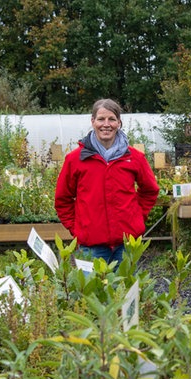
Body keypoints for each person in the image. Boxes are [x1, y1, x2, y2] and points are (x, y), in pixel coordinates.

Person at [55, 99, 159, 265]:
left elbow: (150, 190)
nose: (106, 124)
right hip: (91, 246)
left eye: (111, 119)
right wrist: (77, 229)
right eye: (101, 119)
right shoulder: (75, 159)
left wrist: (136, 218)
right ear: (93, 121)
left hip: (126, 244)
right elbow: (63, 199)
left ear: (119, 122)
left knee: (125, 290)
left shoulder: (134, 158)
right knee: (91, 290)